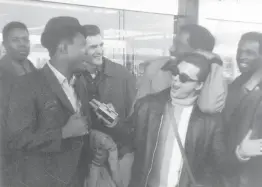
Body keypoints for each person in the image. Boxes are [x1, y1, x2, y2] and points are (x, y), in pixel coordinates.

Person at [4, 16, 91, 187]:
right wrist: (63, 133)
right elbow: (16, 140)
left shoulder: (80, 84)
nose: (86, 52)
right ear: (63, 48)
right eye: (82, 46)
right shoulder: (25, 86)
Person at [129, 52, 226, 187]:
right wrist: (112, 123)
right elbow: (127, 141)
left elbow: (218, 167)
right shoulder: (147, 106)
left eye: (184, 78)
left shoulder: (209, 123)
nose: (176, 79)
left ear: (198, 85)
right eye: (175, 72)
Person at [136, 24, 227, 114]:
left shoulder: (214, 80)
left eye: (179, 45)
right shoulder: (155, 68)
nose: (171, 49)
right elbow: (137, 110)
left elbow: (209, 108)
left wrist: (215, 62)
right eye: (174, 43)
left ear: (199, 53)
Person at [0, 21, 37, 186]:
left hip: (36, 151)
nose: (22, 44)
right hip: (8, 154)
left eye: (25, 39)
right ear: (4, 44)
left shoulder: (35, 71)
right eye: (16, 40)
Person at [224, 32, 262, 187]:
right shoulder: (239, 82)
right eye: (239, 51)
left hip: (252, 171)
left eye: (250, 53)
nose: (241, 56)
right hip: (233, 162)